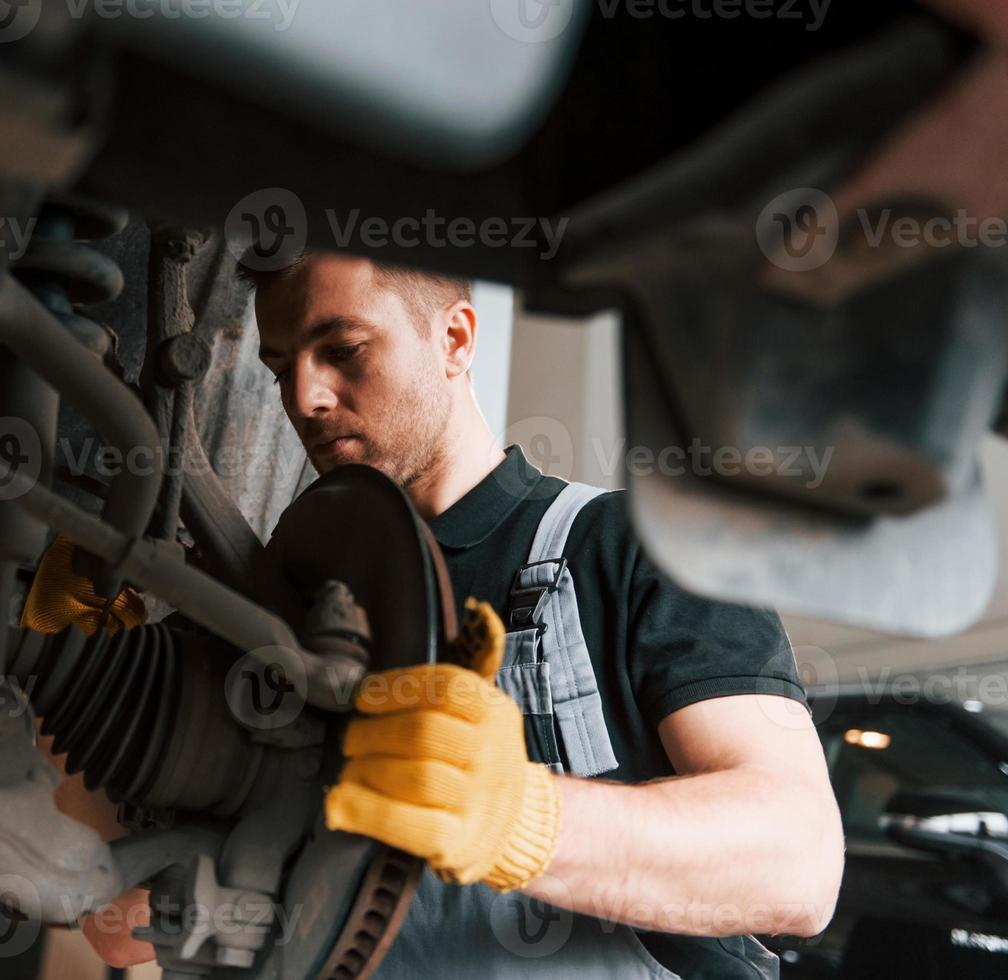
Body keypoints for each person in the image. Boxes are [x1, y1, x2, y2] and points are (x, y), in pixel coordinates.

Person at [52, 250, 844, 978]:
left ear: (456, 339)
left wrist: (521, 819)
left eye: (344, 349)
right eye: (280, 366)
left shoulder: (642, 549)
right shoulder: (275, 606)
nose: (306, 398)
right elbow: (119, 928)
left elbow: (799, 866)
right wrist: (89, 675)